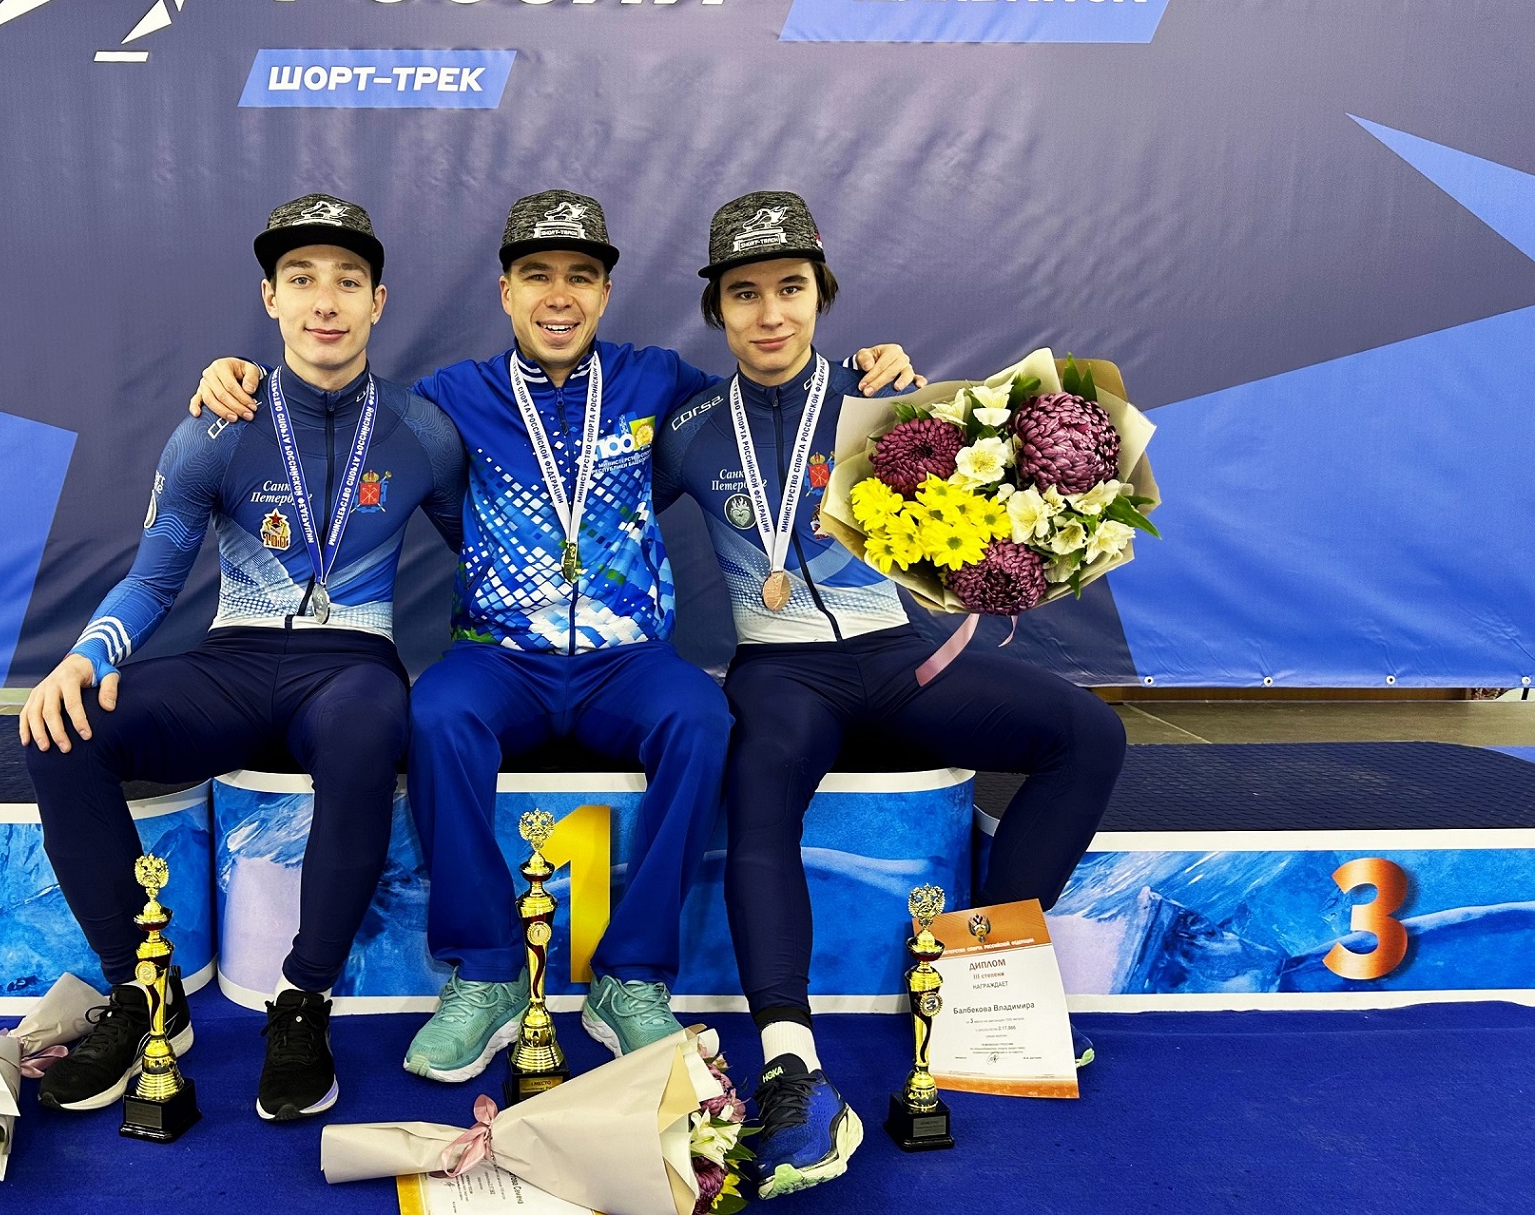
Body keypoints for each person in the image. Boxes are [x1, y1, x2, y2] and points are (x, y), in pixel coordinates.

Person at [189, 190, 918, 1084]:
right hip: (498, 658)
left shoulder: (662, 384)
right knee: (437, 715)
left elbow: (772, 404)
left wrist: (867, 367)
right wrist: (240, 374)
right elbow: (340, 412)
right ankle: (487, 974)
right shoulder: (450, 398)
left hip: (629, 660)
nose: (559, 295)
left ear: (606, 292)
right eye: (537, 275)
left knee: (702, 718)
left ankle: (632, 977)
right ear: (506, 292)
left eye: (581, 275)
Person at [654, 192, 1125, 1198]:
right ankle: (791, 1061)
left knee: (1086, 732)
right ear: (717, 308)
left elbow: (980, 521)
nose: (769, 313)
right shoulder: (687, 428)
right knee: (759, 792)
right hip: (780, 672)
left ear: (820, 295)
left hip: (897, 659)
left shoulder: (885, 399)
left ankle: (984, 976)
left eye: (790, 288)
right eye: (744, 294)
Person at [21, 194, 465, 1123]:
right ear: (270, 298)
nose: (325, 300)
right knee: (64, 731)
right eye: (301, 279)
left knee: (369, 725)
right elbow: (153, 579)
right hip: (233, 658)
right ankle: (144, 990)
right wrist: (85, 655)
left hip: (352, 666)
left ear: (378, 301)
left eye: (348, 280)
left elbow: (490, 559)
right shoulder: (216, 426)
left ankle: (302, 1000)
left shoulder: (423, 430)